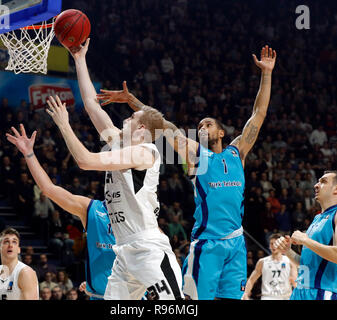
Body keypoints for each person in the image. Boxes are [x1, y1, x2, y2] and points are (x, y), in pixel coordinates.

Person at [98, 45, 276, 299]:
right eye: (199, 124)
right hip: (207, 245)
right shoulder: (196, 156)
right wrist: (133, 102)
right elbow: (163, 125)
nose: (202, 126)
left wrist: (266, 74)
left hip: (236, 244)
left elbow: (259, 114)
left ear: (222, 133)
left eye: (209, 124)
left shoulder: (238, 152)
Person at [46, 38, 183, 300]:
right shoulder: (118, 143)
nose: (126, 118)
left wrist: (64, 125)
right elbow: (90, 103)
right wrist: (79, 58)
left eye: (131, 117)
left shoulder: (146, 153)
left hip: (148, 249)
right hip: (124, 253)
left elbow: (85, 161)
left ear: (142, 129)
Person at [6, 124, 115, 300]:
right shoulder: (93, 209)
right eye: (112, 178)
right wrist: (29, 154)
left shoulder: (142, 216)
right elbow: (48, 189)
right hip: (99, 296)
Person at [274, 171, 337, 300]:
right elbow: (306, 263)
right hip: (300, 291)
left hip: (322, 292)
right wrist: (287, 251)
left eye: (323, 182)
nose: (316, 185)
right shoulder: (317, 217)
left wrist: (306, 240)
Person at [0, 227, 39, 300]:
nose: (10, 245)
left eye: (14, 242)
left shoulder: (25, 272)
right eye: (6, 242)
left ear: (19, 250)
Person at [242, 233, 297, 300]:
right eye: (271, 243)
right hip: (267, 297)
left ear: (281, 244)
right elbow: (251, 280)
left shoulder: (290, 261)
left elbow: (295, 281)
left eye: (276, 243)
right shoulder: (262, 262)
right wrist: (246, 293)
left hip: (285, 297)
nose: (273, 246)